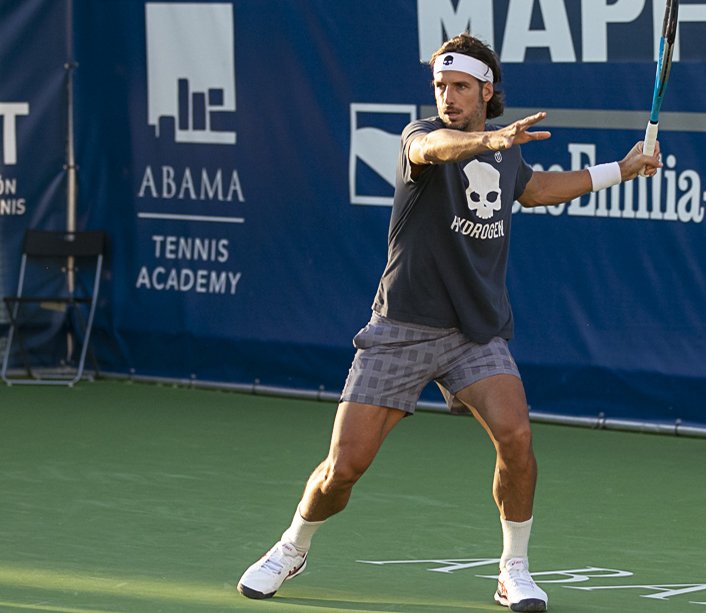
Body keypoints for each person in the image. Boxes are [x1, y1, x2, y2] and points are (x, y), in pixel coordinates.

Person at [237, 33, 661, 612]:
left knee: (516, 436)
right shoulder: (422, 136)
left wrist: (623, 168)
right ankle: (292, 545)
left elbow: (534, 189)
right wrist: (487, 138)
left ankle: (514, 569)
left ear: (486, 90)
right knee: (344, 468)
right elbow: (434, 149)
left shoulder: (507, 152)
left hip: (475, 331)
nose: (447, 96)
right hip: (402, 326)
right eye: (440, 85)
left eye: (460, 86)